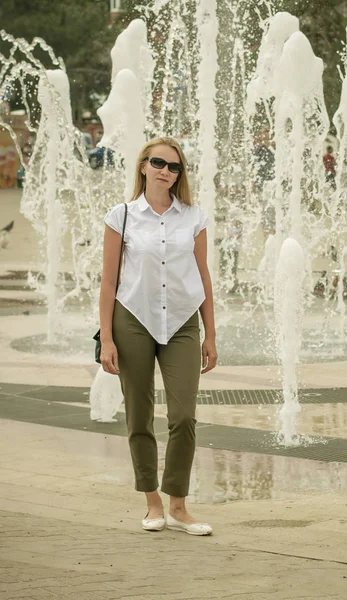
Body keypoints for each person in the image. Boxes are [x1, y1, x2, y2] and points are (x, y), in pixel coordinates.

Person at [99, 137, 217, 536]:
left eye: (174, 167)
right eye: (159, 163)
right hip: (132, 318)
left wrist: (210, 334)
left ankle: (179, 506)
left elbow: (203, 276)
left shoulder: (194, 217)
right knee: (139, 415)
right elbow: (109, 280)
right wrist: (109, 340)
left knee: (184, 416)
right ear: (143, 166)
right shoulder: (122, 216)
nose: (166, 171)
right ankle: (152, 502)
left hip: (183, 321)